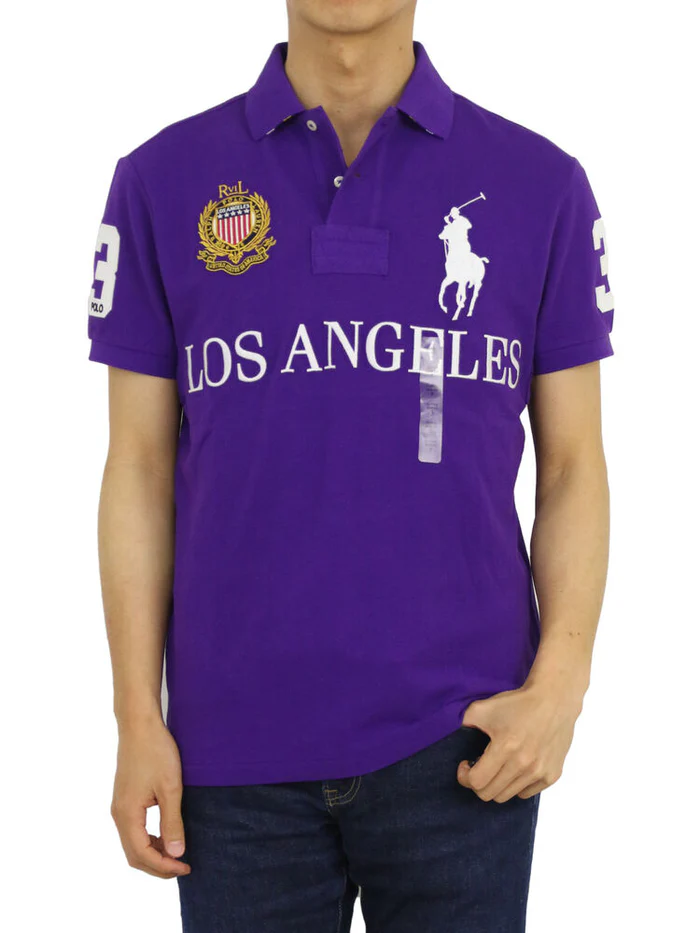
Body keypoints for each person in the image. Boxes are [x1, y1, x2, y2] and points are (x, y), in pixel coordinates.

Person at [87, 1, 615, 930]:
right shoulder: (161, 182)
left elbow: (573, 465)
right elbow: (136, 465)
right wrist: (137, 714)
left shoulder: (543, 186)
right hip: (232, 757)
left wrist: (560, 689)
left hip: (467, 745)